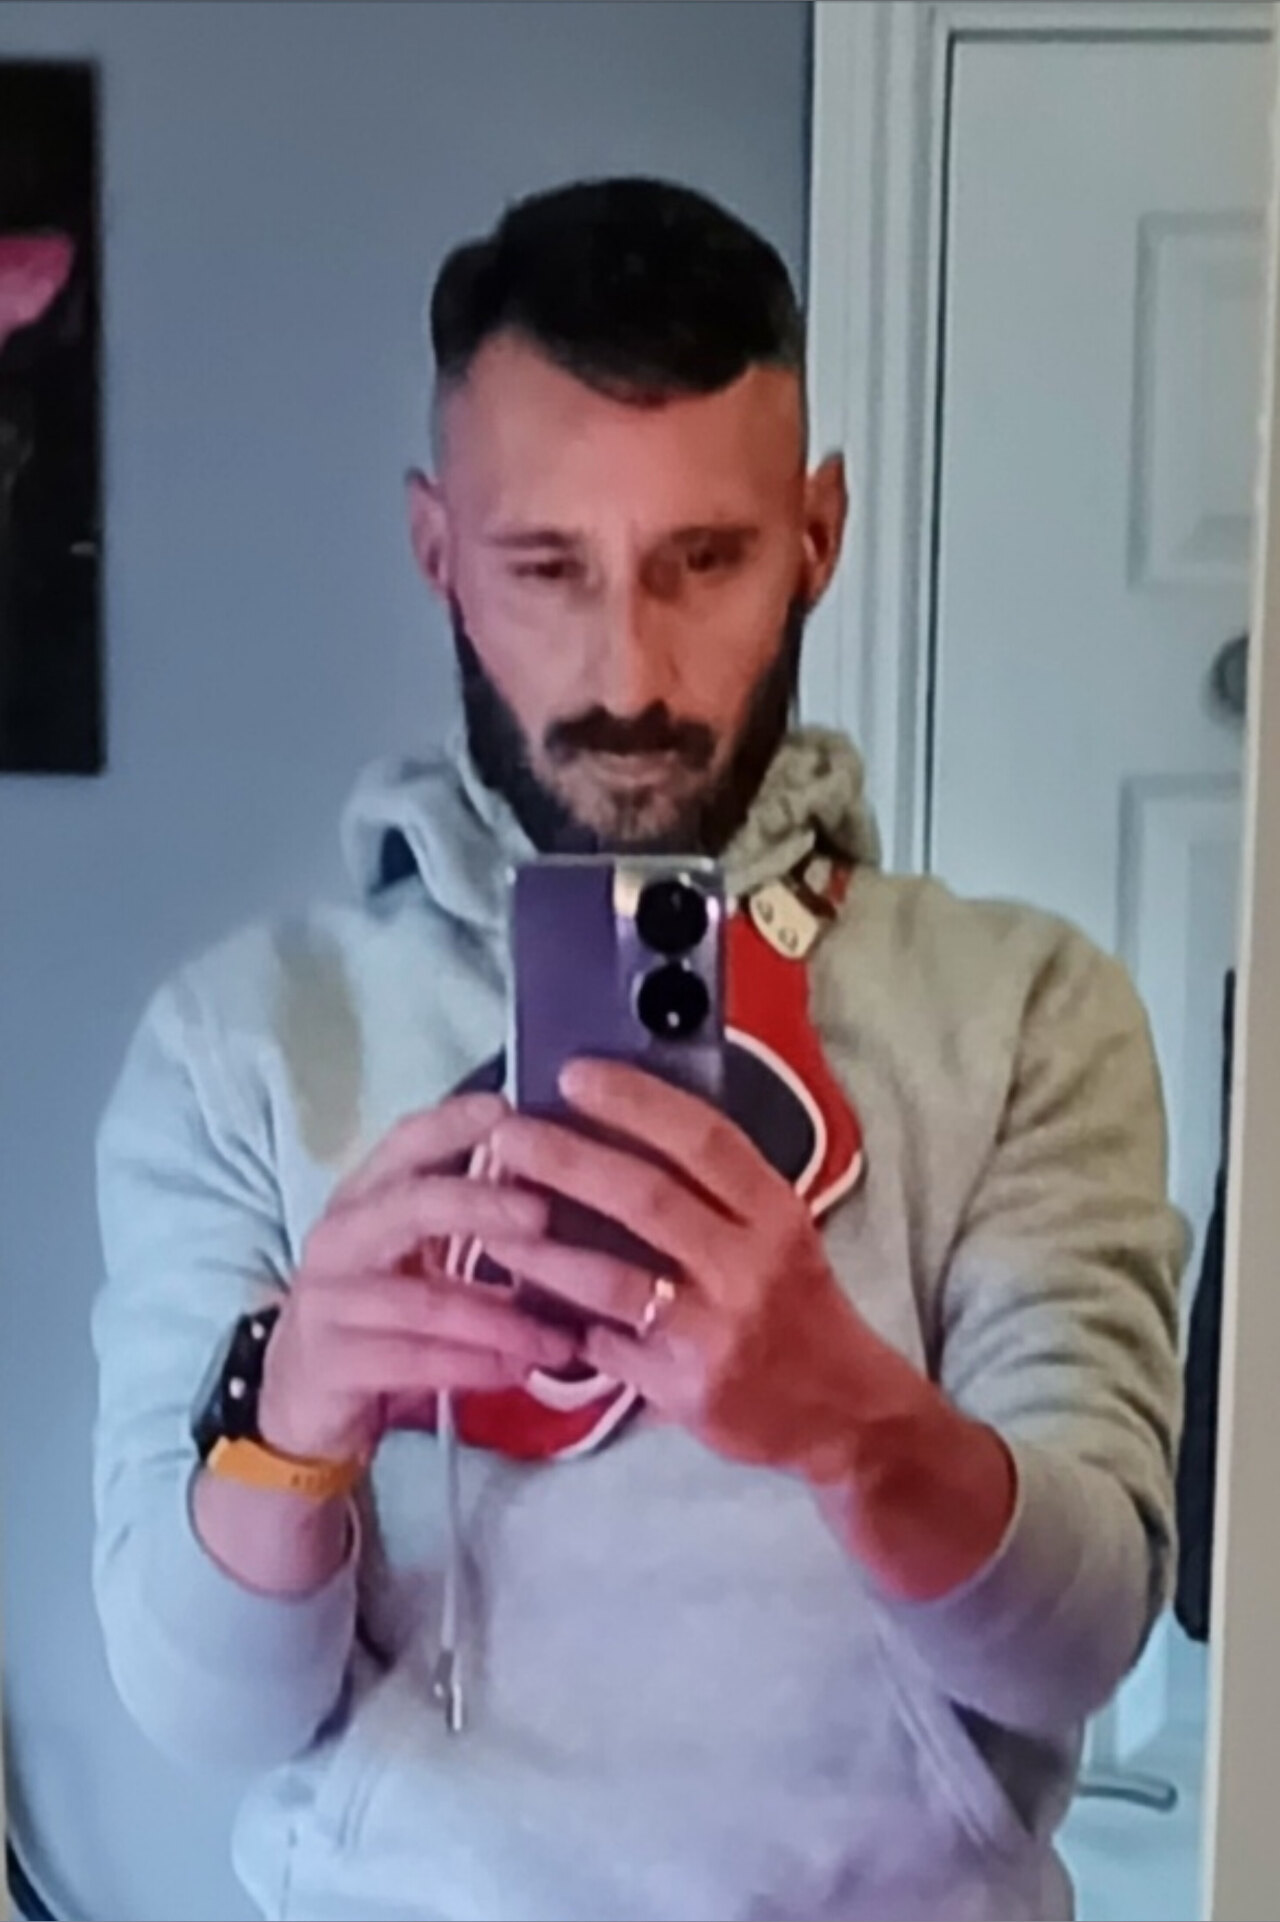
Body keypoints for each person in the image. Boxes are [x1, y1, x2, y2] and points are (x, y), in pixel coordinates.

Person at [92, 178, 1185, 1922]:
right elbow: (204, 1711)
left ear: (817, 536)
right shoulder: (245, 1042)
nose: (631, 672)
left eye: (707, 560)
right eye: (547, 567)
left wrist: (852, 1424)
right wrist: (292, 1424)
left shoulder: (1030, 1011)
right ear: (439, 552)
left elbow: (1081, 1637)